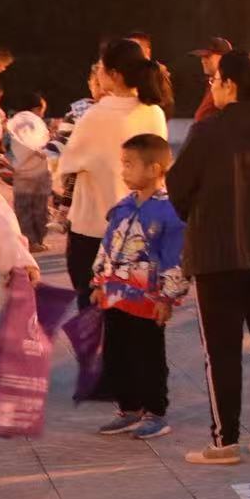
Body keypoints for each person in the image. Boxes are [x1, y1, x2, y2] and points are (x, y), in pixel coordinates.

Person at [166, 49, 250, 466]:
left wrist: (202, 217)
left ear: (230, 84)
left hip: (219, 254)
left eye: (215, 80)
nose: (212, 87)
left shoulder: (209, 131)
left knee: (222, 351)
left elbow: (179, 186)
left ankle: (225, 441)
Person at [58, 39, 172, 309]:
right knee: (130, 312)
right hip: (141, 230)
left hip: (94, 230)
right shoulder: (155, 113)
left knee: (92, 312)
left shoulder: (94, 116)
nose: (97, 72)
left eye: (101, 67)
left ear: (115, 75)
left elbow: (64, 167)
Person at [88, 133, 186, 441]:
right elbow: (107, 246)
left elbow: (176, 258)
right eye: (123, 163)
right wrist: (99, 281)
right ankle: (128, 408)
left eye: (129, 164)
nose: (123, 171)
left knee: (148, 356)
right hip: (116, 293)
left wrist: (167, 297)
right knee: (116, 353)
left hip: (147, 298)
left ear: (155, 169)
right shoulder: (123, 207)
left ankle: (155, 412)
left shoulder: (170, 212)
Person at [6, 93, 51, 250]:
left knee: (24, 209)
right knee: (40, 208)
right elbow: (40, 146)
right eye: (42, 111)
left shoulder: (14, 122)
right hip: (38, 171)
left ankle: (31, 241)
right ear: (37, 109)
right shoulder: (34, 123)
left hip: (21, 172)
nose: (42, 114)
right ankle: (37, 240)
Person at [189, 37, 232, 123]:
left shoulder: (229, 85)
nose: (202, 61)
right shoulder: (211, 82)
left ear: (223, 57)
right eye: (201, 57)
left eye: (207, 56)